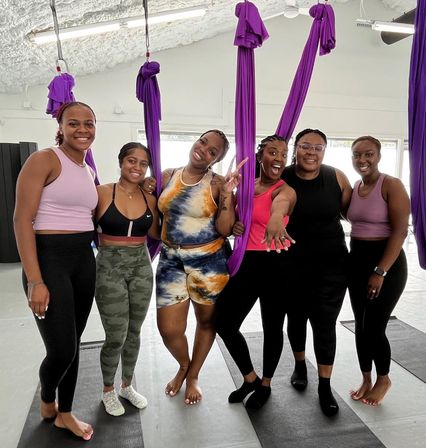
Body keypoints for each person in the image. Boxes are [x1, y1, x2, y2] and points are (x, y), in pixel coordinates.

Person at [13, 101, 97, 440]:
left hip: (83, 259)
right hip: (48, 260)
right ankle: (48, 397)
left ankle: (65, 413)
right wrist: (35, 280)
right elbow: (21, 219)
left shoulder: (88, 170)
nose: (82, 130)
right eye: (73, 123)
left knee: (74, 343)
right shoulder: (45, 160)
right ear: (60, 127)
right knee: (61, 349)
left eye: (89, 123)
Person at [153, 129, 240, 405]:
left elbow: (225, 229)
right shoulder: (168, 175)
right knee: (169, 330)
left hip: (209, 262)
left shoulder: (217, 184)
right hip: (170, 261)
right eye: (203, 142)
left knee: (206, 321)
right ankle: (183, 364)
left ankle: (193, 376)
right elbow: (156, 214)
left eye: (212, 151)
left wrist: (227, 195)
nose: (204, 149)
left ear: (215, 160)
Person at [216, 135, 296, 409]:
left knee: (272, 327)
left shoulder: (285, 190)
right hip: (247, 262)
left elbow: (280, 206)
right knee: (224, 323)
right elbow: (231, 225)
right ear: (260, 156)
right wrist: (237, 222)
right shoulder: (246, 189)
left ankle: (266, 384)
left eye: (284, 154)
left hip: (277, 264)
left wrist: (276, 220)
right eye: (273, 152)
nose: (279, 158)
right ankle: (250, 377)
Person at [282, 128, 352, 416]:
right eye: (305, 146)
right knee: (296, 318)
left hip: (332, 265)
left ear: (325, 150)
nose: (311, 152)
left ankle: (325, 384)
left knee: (324, 324)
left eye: (318, 147)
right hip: (291, 262)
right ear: (296, 148)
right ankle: (300, 365)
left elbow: (352, 213)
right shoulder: (283, 176)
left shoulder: (336, 176)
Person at [95, 142, 161, 416]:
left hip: (141, 267)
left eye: (142, 163)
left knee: (134, 332)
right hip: (109, 267)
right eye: (131, 161)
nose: (136, 167)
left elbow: (157, 233)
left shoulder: (150, 199)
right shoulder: (101, 193)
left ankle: (126, 385)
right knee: (115, 336)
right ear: (121, 162)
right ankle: (108, 390)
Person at [347, 136, 409, 406]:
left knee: (374, 326)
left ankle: (384, 378)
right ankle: (366, 377)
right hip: (357, 260)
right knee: (360, 326)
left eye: (368, 154)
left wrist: (380, 271)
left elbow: (400, 231)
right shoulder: (356, 186)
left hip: (386, 262)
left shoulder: (391, 185)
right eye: (357, 155)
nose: (362, 160)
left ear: (379, 156)